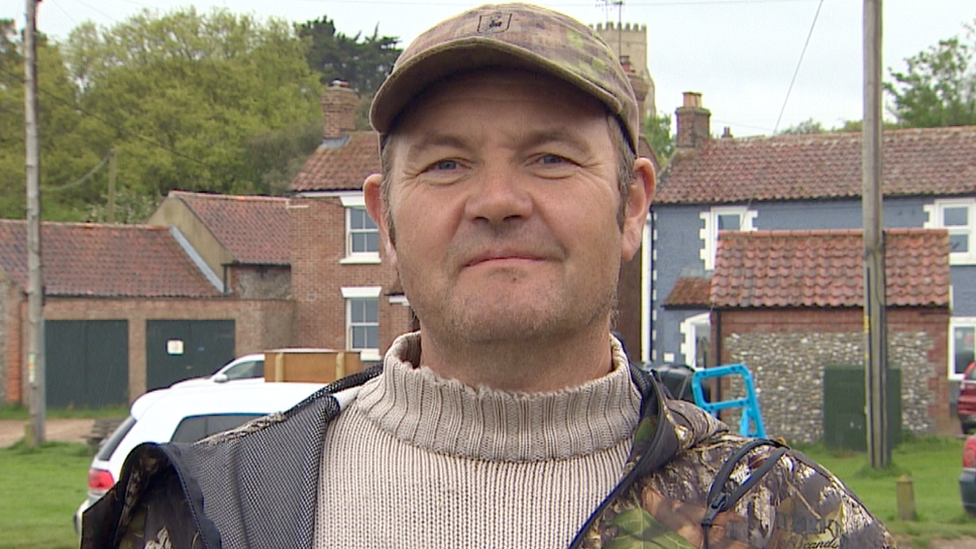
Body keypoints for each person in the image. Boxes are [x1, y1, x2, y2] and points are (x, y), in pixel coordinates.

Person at [82, 4, 896, 549]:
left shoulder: (784, 518)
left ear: (634, 202)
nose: (498, 201)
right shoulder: (210, 507)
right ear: (384, 217)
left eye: (549, 157)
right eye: (445, 163)